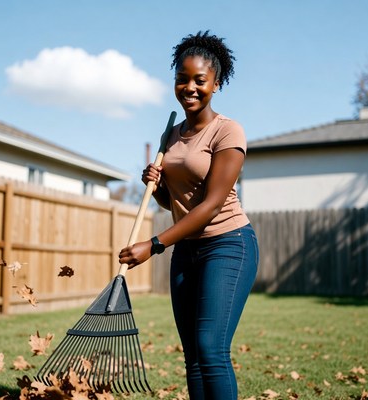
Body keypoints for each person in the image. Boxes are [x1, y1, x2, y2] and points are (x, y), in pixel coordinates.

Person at [119, 30, 259, 400]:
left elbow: (211, 204)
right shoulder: (172, 136)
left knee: (211, 350)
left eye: (200, 80)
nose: (190, 87)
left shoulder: (227, 131)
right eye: (183, 79)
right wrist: (158, 184)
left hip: (228, 244)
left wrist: (154, 245)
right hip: (187, 249)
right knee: (193, 358)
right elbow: (172, 202)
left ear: (216, 82)